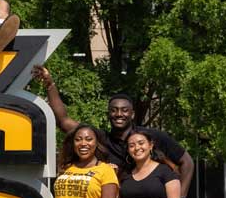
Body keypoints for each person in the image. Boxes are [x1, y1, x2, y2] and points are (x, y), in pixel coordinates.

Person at [34, 66, 197, 185]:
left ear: (132, 114)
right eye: (114, 110)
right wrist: (50, 85)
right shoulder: (102, 139)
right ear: (108, 114)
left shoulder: (150, 137)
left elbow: (187, 162)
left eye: (124, 110)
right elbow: (63, 121)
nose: (119, 114)